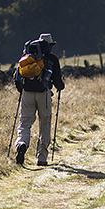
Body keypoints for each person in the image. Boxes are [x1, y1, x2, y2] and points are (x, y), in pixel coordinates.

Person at [14, 33, 65, 166]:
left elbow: (17, 78)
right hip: (44, 94)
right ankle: (42, 158)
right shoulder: (52, 58)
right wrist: (60, 87)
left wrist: (23, 91)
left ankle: (22, 143)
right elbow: (59, 82)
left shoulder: (27, 56)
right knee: (45, 123)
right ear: (49, 45)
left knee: (25, 123)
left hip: (27, 93)